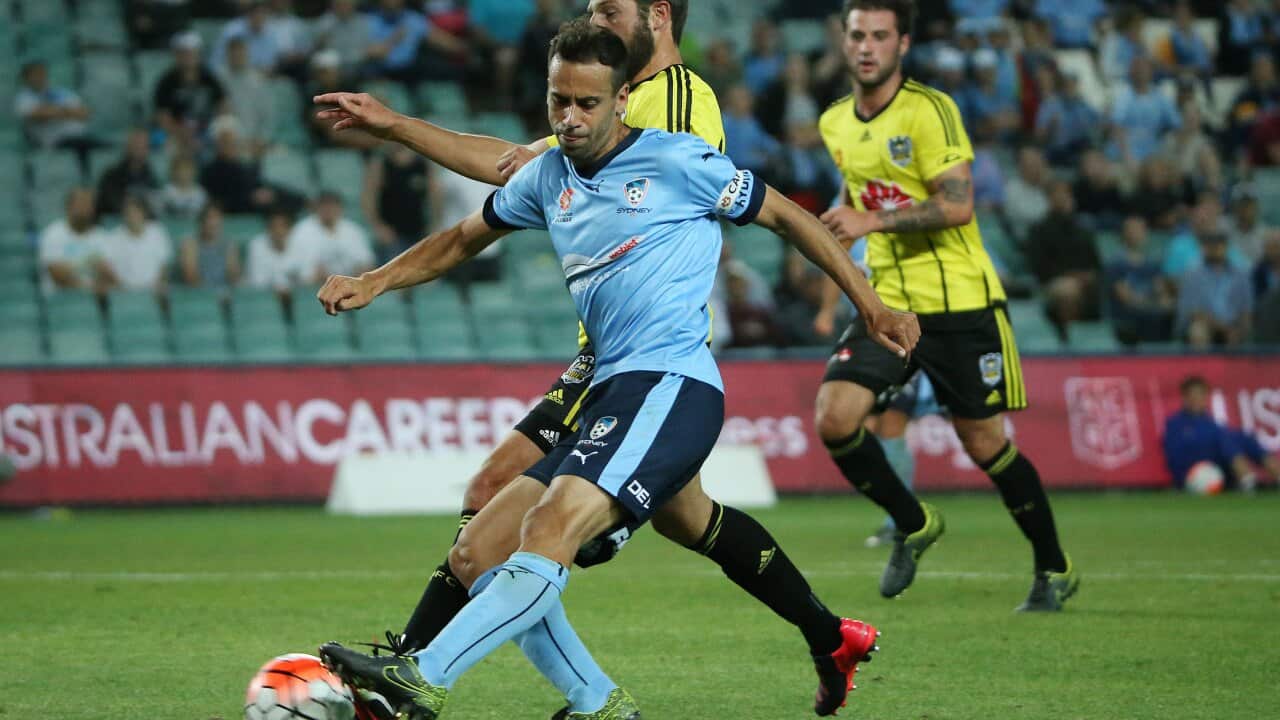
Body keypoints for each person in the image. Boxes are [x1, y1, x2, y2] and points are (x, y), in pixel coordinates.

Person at [316, 20, 918, 719]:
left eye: (586, 104)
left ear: (623, 98)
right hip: (610, 390)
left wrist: (870, 306)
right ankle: (604, 704)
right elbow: (459, 238)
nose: (569, 119)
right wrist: (376, 279)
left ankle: (423, 676)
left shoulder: (679, 161)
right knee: (478, 551)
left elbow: (791, 220)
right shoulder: (547, 175)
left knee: (550, 527)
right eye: (557, 101)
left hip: (671, 384)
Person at [813, 0, 1078, 611]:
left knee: (984, 443)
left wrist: (869, 218)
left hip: (961, 301)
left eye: (880, 35)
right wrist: (850, 233)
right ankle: (913, 521)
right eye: (857, 35)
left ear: (903, 44)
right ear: (845, 41)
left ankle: (1054, 567)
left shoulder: (931, 111)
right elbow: (861, 199)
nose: (866, 47)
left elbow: (958, 205)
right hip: (891, 303)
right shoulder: (835, 123)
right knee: (834, 416)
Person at [1163, 376, 1280, 492]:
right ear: (1185, 398)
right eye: (1193, 395)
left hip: (1220, 460)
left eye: (1200, 395)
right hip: (1196, 468)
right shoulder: (1176, 424)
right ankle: (1247, 479)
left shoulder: (1210, 422)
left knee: (1245, 438)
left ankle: (1275, 474)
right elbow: (1176, 459)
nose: (1197, 399)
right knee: (1223, 439)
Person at [1027, 180, 1101, 340]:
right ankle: (1068, 337)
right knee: (1068, 291)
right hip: (1053, 282)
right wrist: (1071, 276)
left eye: (1066, 194)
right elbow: (1039, 267)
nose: (1063, 198)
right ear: (1049, 198)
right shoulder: (1040, 229)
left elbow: (1095, 262)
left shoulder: (1083, 229)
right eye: (1058, 194)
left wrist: (1088, 276)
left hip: (1084, 281)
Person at [1176, 232, 1254, 348]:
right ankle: (1200, 366)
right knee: (1198, 331)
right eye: (1211, 246)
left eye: (1219, 246)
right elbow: (1194, 313)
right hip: (1205, 324)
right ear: (1204, 248)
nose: (1215, 250)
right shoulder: (1193, 274)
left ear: (1226, 248)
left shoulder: (1240, 274)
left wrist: (1241, 329)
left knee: (1245, 332)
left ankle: (1237, 366)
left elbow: (1246, 309)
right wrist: (1223, 328)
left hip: (1233, 325)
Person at [1106, 215, 1174, 345]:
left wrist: (1165, 300)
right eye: (1133, 229)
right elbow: (1125, 297)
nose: (1137, 233)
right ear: (1124, 233)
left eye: (1141, 229)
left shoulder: (1152, 263)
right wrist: (1151, 304)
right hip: (1127, 315)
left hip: (1150, 309)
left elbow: (1160, 289)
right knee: (1150, 317)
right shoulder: (1116, 263)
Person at [153, 31, 226, 150]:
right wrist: (182, 133)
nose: (188, 57)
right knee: (161, 139)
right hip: (176, 131)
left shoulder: (209, 78)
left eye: (191, 52)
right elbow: (162, 117)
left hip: (206, 130)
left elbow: (223, 105)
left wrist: (210, 128)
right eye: (183, 53)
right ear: (176, 55)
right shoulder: (166, 82)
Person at [362, 143, 431, 265]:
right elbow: (369, 197)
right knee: (395, 277)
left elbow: (436, 197)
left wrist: (435, 224)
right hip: (391, 234)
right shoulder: (381, 163)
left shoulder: (423, 164)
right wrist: (378, 226)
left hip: (419, 230)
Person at [287, 191, 376, 283]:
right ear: (317, 207)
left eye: (332, 205)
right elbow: (292, 269)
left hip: (349, 288)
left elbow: (367, 264)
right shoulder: (302, 231)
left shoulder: (353, 230)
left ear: (340, 208)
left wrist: (356, 277)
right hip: (313, 289)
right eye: (324, 205)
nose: (328, 209)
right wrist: (312, 275)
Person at [95, 193, 173, 293]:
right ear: (124, 214)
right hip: (122, 293)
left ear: (144, 213)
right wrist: (122, 288)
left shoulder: (158, 232)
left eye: (136, 211)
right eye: (129, 212)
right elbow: (106, 267)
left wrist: (157, 286)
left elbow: (164, 266)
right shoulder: (113, 237)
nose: (132, 215)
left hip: (154, 291)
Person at [38, 188, 108, 295]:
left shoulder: (101, 236)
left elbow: (107, 272)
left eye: (88, 205)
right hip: (60, 300)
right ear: (68, 207)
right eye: (80, 204)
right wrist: (88, 288)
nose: (84, 210)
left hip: (96, 299)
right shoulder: (53, 234)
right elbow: (57, 274)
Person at [14, 60, 93, 151]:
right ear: (26, 78)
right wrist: (68, 112)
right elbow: (38, 115)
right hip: (54, 141)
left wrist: (54, 111)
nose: (40, 77)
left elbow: (85, 113)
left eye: (42, 73)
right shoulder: (23, 97)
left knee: (106, 148)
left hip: (80, 136)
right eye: (35, 74)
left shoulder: (62, 92)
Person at [95, 128, 160, 216]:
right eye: (136, 145)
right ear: (128, 147)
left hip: (143, 224)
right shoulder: (112, 175)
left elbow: (155, 205)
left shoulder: (151, 176)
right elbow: (107, 203)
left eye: (143, 146)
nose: (139, 149)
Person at [180, 203, 241, 291]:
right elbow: (190, 276)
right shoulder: (190, 244)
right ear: (201, 221)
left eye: (217, 218)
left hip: (223, 293)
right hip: (197, 294)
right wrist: (208, 295)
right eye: (209, 218)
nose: (213, 223)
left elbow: (233, 275)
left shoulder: (229, 244)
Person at [246, 206, 304, 294]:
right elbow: (257, 283)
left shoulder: (299, 245)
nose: (278, 231)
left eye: (282, 226)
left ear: (289, 229)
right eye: (274, 226)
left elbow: (306, 280)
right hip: (265, 300)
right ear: (268, 229)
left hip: (296, 298)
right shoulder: (256, 246)